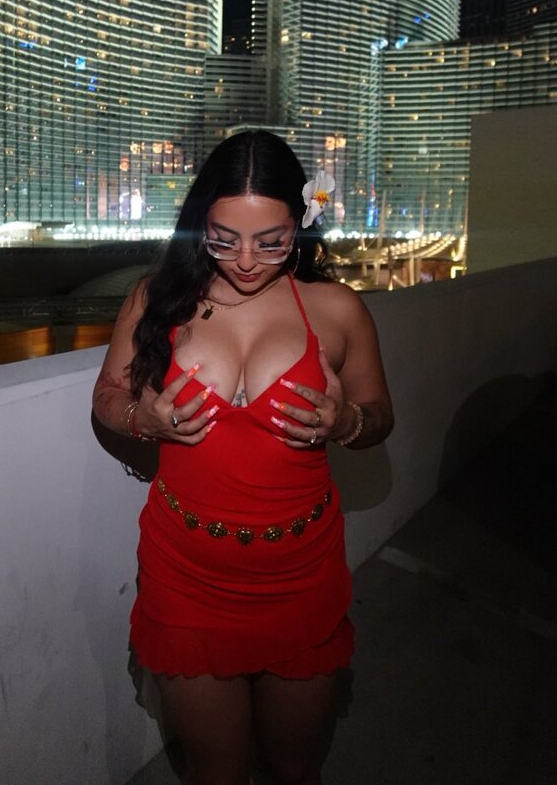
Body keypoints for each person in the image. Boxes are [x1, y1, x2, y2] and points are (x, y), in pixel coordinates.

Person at [92, 130, 393, 785]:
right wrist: (144, 417)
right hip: (186, 575)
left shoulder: (337, 309)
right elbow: (107, 396)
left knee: (293, 769)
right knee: (216, 772)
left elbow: (380, 417)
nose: (247, 261)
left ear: (301, 224)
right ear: (201, 222)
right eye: (224, 239)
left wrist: (346, 421)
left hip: (301, 574)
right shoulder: (156, 298)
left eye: (271, 241)